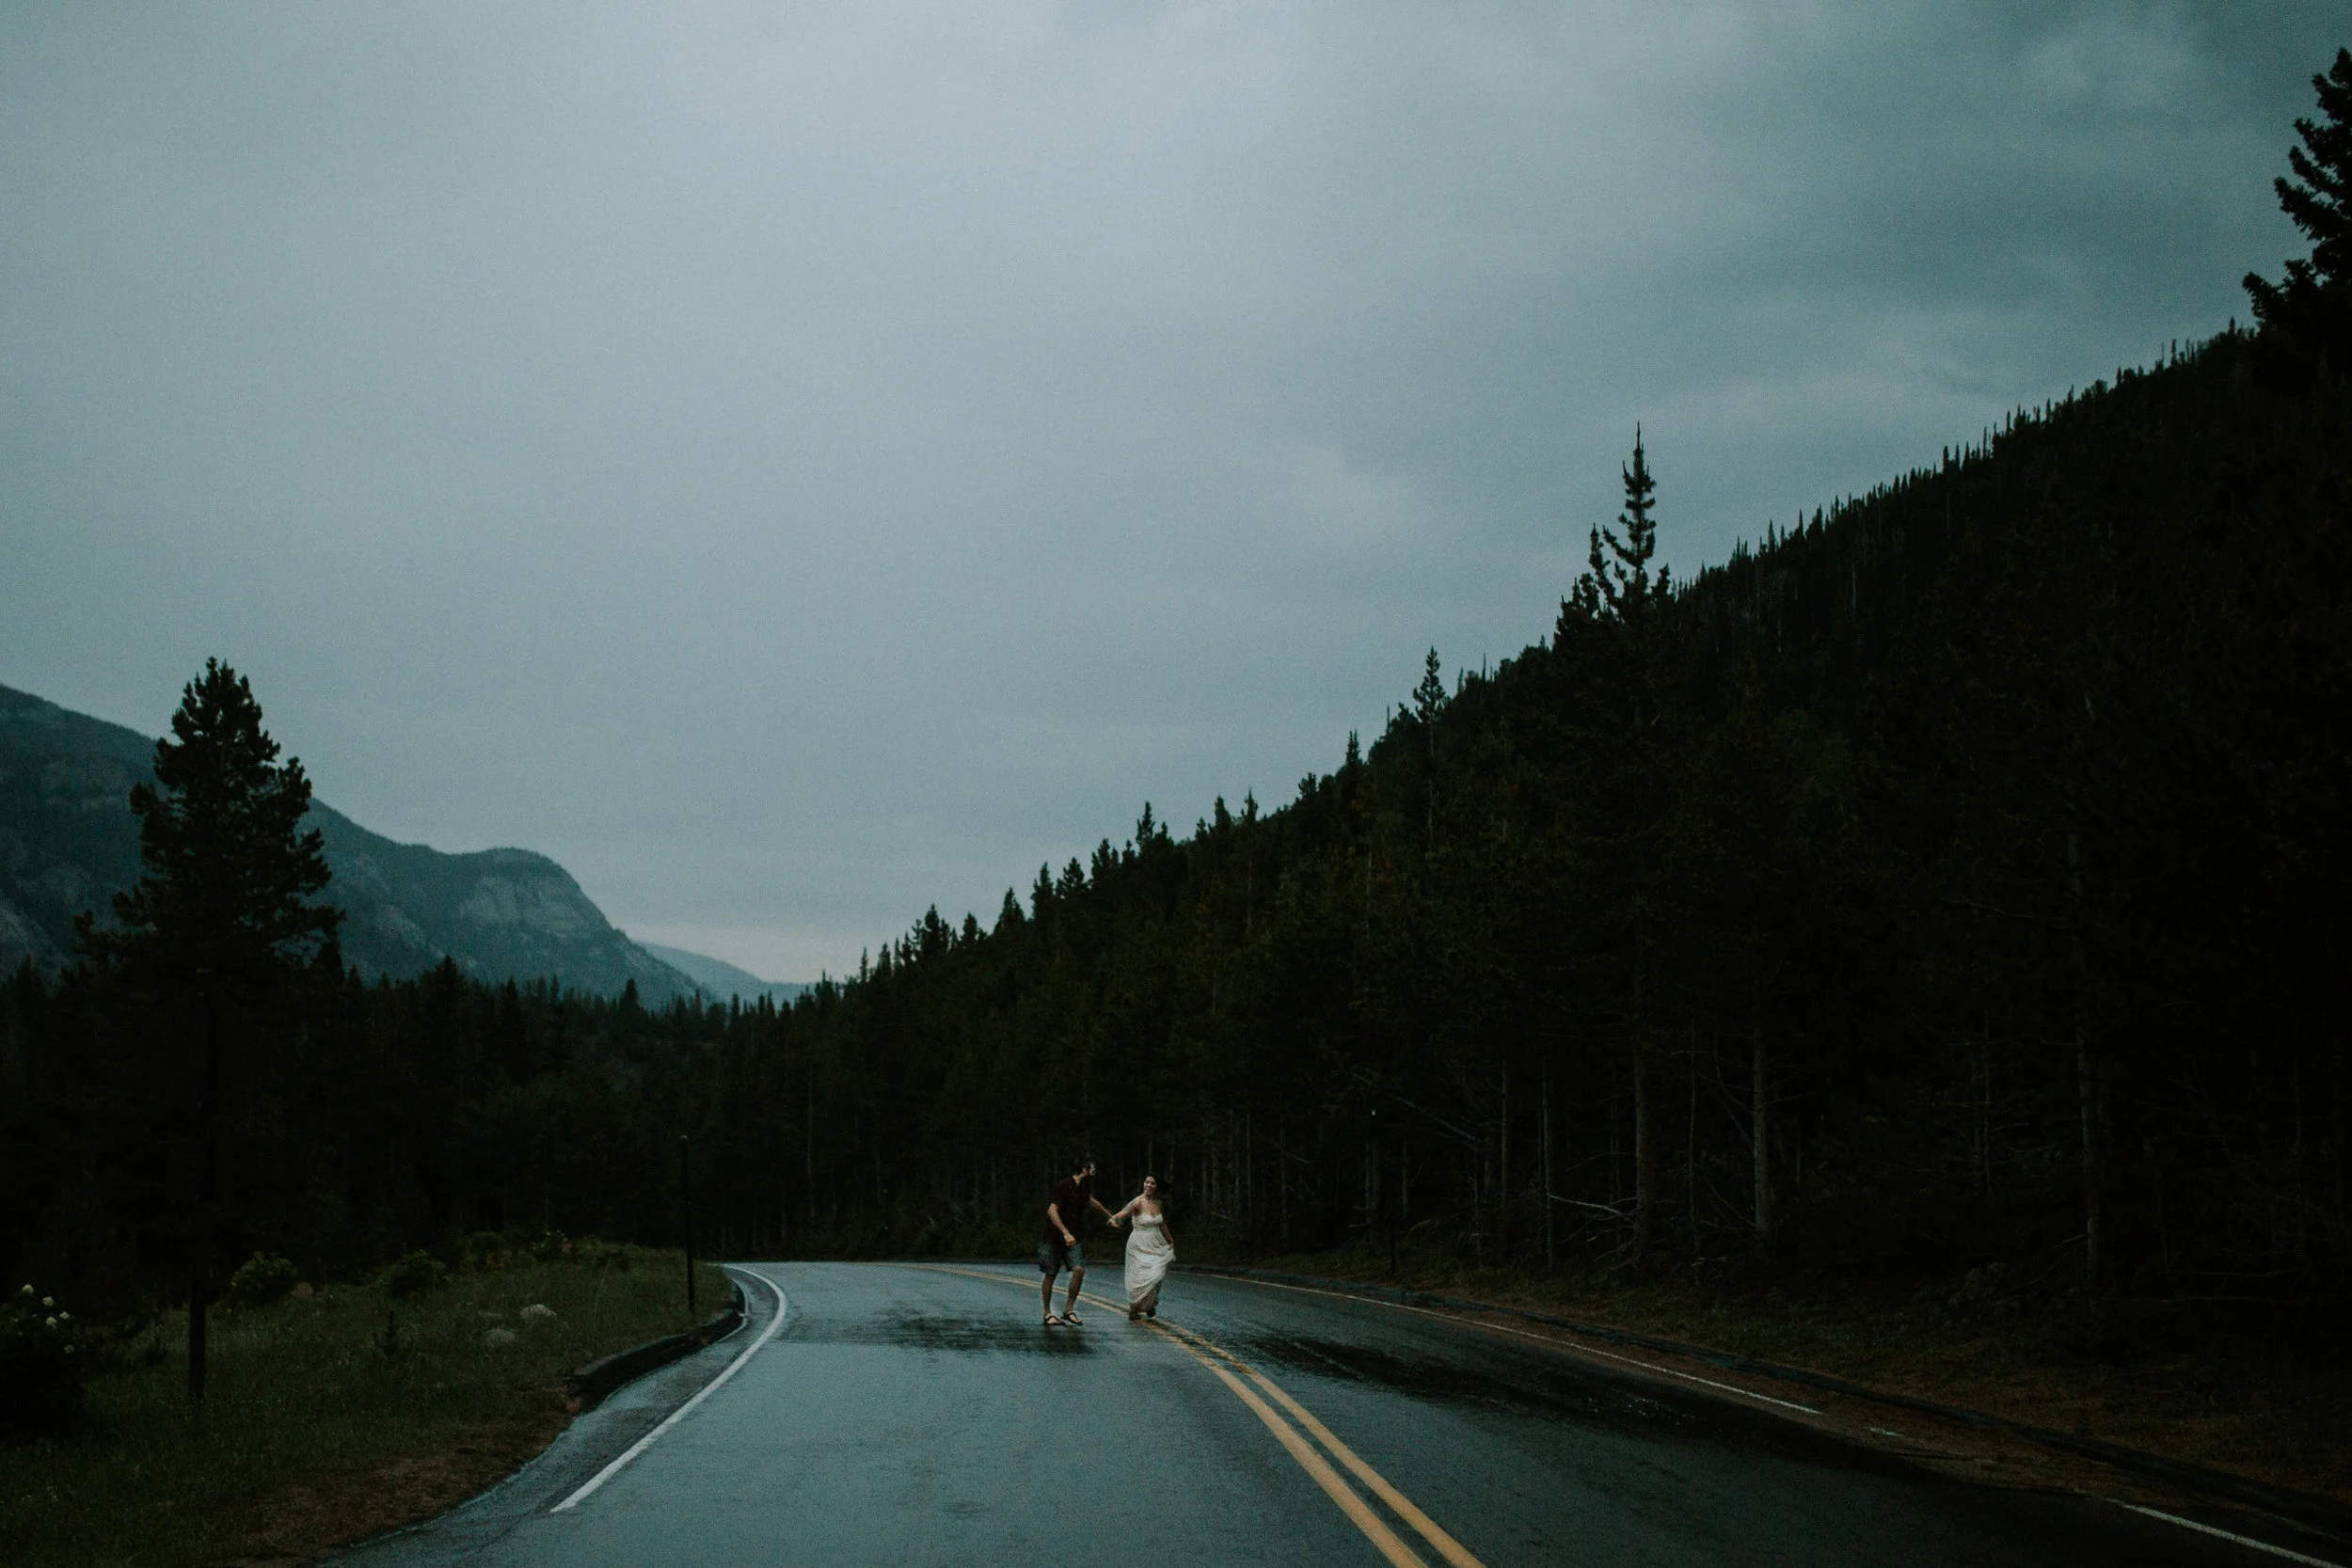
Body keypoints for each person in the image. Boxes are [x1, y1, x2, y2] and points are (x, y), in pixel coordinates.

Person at [1039, 1160, 1117, 1325]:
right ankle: (1047, 1313)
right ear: (1084, 1169)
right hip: (1054, 1237)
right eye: (1093, 1169)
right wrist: (1065, 1233)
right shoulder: (1064, 1185)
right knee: (1051, 1274)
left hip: (1074, 1237)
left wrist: (1110, 1216)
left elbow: (1091, 1201)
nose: (1095, 1172)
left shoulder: (1083, 1187)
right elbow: (1051, 1211)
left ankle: (1068, 1310)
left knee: (1079, 1269)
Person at [1108, 1174, 1175, 1321]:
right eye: (1146, 1182)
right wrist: (1113, 1220)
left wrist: (1170, 1239)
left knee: (1157, 1274)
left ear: (1157, 1187)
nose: (1148, 1186)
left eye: (1152, 1183)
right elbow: (1122, 1214)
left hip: (1156, 1242)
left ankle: (1149, 1304)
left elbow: (1161, 1223)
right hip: (1138, 1243)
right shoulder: (1137, 1202)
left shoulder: (1158, 1203)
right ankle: (1134, 1309)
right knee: (1139, 1277)